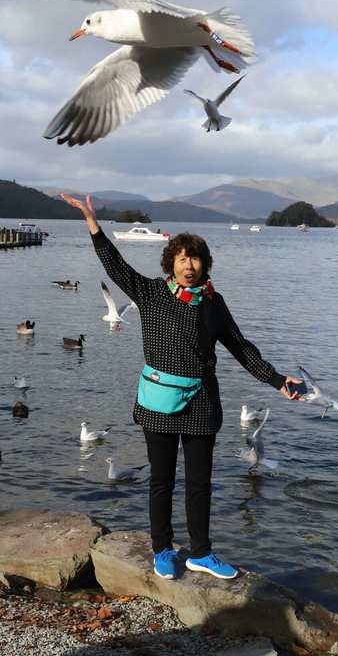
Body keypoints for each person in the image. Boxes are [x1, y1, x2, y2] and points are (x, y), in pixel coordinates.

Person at [61, 193, 301, 581]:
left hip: (202, 402)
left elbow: (240, 347)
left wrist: (277, 380)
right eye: (182, 258)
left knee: (200, 483)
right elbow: (115, 265)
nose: (189, 265)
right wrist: (92, 223)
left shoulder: (214, 303)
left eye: (196, 258)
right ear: (171, 263)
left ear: (205, 265)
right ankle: (162, 549)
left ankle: (201, 553)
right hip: (158, 400)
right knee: (161, 480)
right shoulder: (150, 293)